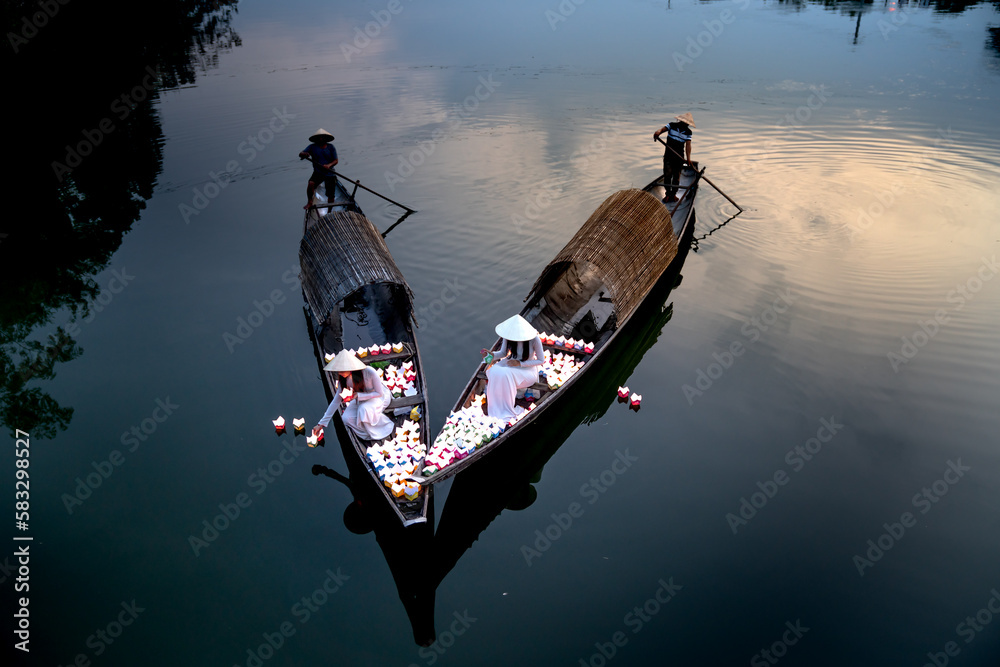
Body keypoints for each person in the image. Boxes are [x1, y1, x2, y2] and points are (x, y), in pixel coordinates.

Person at [313, 349, 394, 441]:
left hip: (378, 397)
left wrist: (359, 396)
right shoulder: (344, 380)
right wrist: (321, 424)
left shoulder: (369, 372)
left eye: (341, 370)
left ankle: (382, 429)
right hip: (360, 399)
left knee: (363, 409)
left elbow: (379, 393)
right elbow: (336, 401)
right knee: (346, 418)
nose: (339, 373)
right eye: (338, 371)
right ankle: (368, 433)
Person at [484, 314, 545, 422]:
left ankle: (505, 407)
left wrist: (520, 363)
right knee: (493, 370)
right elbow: (503, 353)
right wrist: (492, 355)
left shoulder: (535, 339)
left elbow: (541, 360)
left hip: (527, 370)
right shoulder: (509, 336)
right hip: (510, 363)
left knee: (505, 373)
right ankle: (496, 403)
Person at [652, 113, 695, 203]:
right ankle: (668, 194)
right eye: (684, 122)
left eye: (687, 124)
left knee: (676, 177)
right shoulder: (671, 125)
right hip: (668, 156)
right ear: (680, 121)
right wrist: (658, 132)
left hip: (679, 158)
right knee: (667, 175)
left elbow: (688, 145)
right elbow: (662, 129)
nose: (685, 124)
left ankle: (673, 194)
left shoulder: (688, 132)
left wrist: (688, 158)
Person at [298, 128, 339, 210]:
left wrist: (328, 165)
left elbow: (336, 161)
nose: (321, 139)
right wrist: (305, 154)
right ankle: (310, 202)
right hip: (318, 172)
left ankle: (329, 211)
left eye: (322, 137)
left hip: (329, 173)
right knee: (311, 184)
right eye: (319, 137)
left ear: (326, 138)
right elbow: (301, 153)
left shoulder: (331, 147)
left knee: (331, 195)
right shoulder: (312, 147)